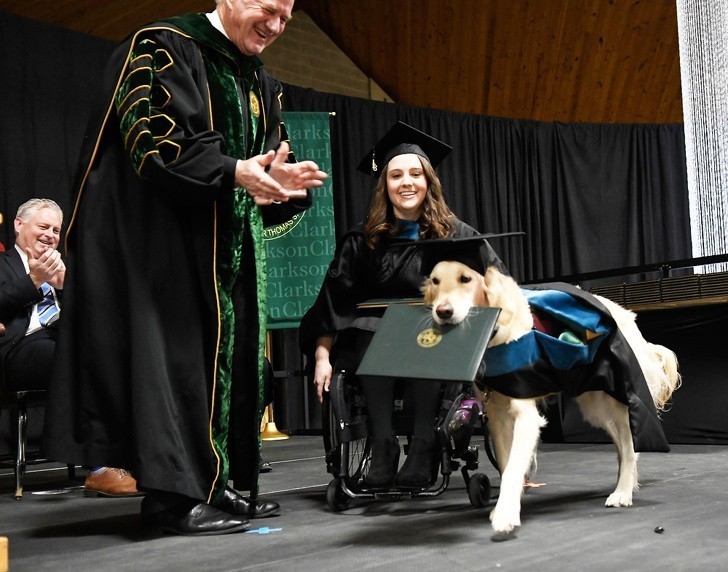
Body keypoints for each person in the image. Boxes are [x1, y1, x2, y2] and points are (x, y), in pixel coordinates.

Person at [44, 0, 327, 536]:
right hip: (160, 248)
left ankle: (215, 485)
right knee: (173, 367)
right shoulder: (163, 45)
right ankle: (172, 500)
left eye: (287, 18)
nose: (275, 26)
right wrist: (234, 171)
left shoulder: (260, 81)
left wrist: (279, 185)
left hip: (223, 247)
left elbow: (262, 165)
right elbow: (150, 143)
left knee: (224, 366)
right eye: (268, 9)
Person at [299, 122, 504, 489]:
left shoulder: (456, 237)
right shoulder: (362, 241)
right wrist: (321, 357)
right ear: (385, 185)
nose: (406, 182)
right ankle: (383, 445)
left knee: (423, 330)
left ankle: (424, 445)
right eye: (396, 175)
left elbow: (498, 286)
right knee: (369, 329)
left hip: (437, 339)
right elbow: (332, 302)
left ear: (428, 182)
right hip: (371, 341)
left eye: (415, 174)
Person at [0, 199, 141, 497]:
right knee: (76, 357)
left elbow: (101, 317)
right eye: (43, 226)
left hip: (64, 341)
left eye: (55, 229)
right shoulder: (3, 264)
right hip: (19, 350)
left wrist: (66, 287)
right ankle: (100, 468)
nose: (50, 235)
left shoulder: (66, 268)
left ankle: (136, 459)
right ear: (18, 224)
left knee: (121, 353)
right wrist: (34, 280)